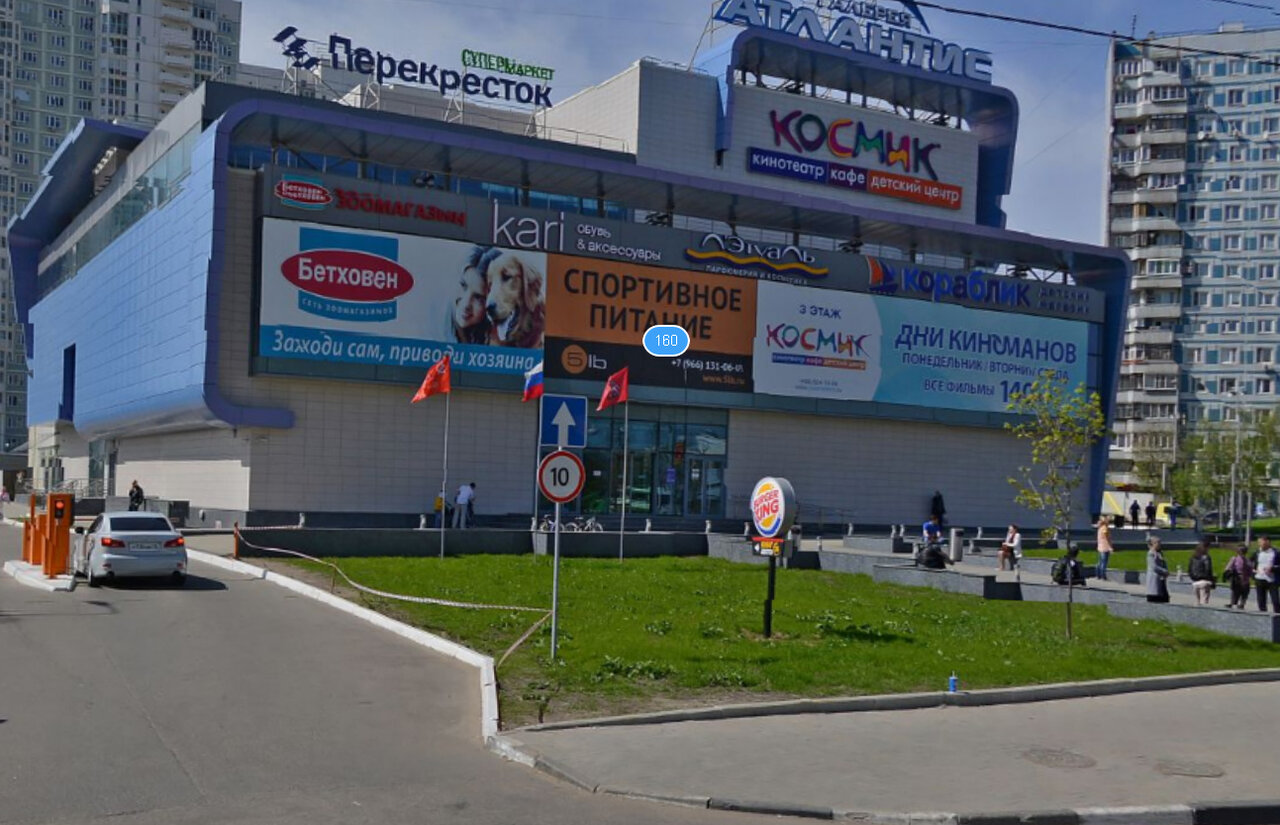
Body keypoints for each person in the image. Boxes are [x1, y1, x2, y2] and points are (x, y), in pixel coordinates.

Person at [1251, 535, 1279, 613]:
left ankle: (1277, 616)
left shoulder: (1276, 552)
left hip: (1272, 580)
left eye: (1261, 542)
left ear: (1268, 542)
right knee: (1261, 601)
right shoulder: (1257, 552)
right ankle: (1264, 616)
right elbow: (1249, 562)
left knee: (1276, 601)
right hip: (1259, 579)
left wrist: (1272, 568)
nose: (1259, 544)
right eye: (1258, 542)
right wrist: (1253, 570)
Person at [1222, 545, 1254, 610]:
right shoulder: (1237, 559)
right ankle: (1235, 604)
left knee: (1241, 594)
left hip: (1242, 580)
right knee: (1238, 594)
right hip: (1240, 580)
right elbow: (1227, 568)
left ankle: (1238, 605)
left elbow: (1227, 569)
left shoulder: (1245, 560)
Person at [1188, 540, 1215, 606]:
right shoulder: (1206, 557)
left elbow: (1189, 570)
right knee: (1204, 602)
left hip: (1195, 582)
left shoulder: (1193, 557)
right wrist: (1212, 581)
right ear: (1206, 548)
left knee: (1197, 603)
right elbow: (1208, 570)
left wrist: (1193, 577)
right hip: (1204, 581)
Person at [1146, 538, 1170, 603]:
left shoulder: (1160, 553)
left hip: (1161, 579)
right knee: (1155, 596)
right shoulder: (1151, 553)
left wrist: (1166, 570)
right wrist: (1164, 571)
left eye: (1160, 542)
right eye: (1157, 543)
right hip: (1154, 578)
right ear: (1153, 544)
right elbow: (1154, 567)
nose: (1159, 544)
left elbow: (1164, 563)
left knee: (1165, 597)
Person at [1095, 515, 1114, 581]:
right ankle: (1103, 576)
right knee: (1104, 562)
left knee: (1100, 562)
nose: (1109, 522)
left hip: (1100, 547)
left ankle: (1098, 575)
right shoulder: (1105, 528)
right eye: (1108, 521)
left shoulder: (1100, 528)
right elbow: (1107, 539)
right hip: (1105, 547)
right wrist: (1110, 547)